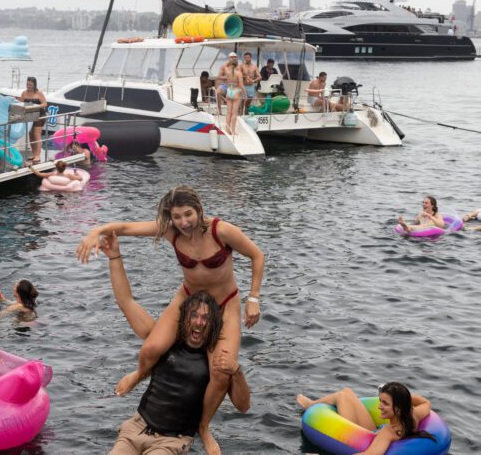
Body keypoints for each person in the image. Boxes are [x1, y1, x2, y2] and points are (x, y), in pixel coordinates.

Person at [76, 185, 264, 455]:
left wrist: (253, 298)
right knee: (152, 348)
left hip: (224, 304)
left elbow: (257, 255)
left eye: (188, 214)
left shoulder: (221, 230)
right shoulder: (170, 231)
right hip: (189, 299)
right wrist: (97, 231)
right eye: (177, 217)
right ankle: (139, 374)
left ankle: (203, 426)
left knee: (221, 373)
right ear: (170, 217)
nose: (184, 222)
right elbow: (127, 228)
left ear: (199, 210)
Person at [101, 232, 250, 454]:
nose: (199, 322)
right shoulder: (164, 341)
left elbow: (243, 406)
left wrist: (237, 371)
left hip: (171, 441)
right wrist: (114, 256)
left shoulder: (215, 361)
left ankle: (202, 429)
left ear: (213, 324)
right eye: (194, 316)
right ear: (184, 318)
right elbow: (126, 301)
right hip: (136, 428)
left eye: (206, 318)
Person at [296, 383, 434, 454]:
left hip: (361, 437)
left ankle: (311, 405)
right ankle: (311, 404)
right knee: (347, 392)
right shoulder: (413, 415)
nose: (379, 406)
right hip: (372, 431)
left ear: (398, 408)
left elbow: (371, 454)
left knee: (341, 396)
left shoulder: (390, 431)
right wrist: (402, 398)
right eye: (380, 401)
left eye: (385, 403)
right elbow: (426, 403)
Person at [18, 76, 47, 164]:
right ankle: (34, 153)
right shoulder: (24, 93)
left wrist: (36, 106)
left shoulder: (39, 93)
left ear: (34, 85)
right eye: (27, 84)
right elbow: (20, 103)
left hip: (39, 115)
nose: (28, 86)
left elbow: (45, 103)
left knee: (36, 134)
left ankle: (38, 155)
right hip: (29, 116)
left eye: (30, 85)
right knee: (31, 135)